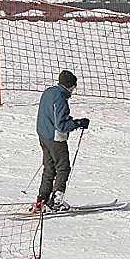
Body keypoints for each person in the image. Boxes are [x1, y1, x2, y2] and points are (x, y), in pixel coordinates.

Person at [30, 70, 89, 214]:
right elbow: (61, 125)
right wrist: (77, 123)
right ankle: (56, 201)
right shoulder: (61, 99)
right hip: (55, 138)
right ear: (70, 85)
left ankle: (42, 199)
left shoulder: (49, 92)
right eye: (74, 86)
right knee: (63, 167)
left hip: (43, 135)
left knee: (49, 168)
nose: (74, 90)